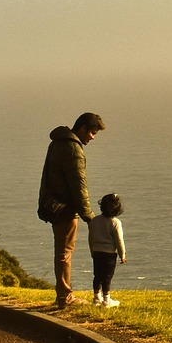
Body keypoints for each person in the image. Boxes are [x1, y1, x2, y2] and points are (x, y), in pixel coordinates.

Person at [37, 112, 104, 309]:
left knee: (62, 251)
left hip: (53, 204)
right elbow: (79, 185)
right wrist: (89, 216)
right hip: (65, 208)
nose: (92, 137)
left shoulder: (57, 142)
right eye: (92, 132)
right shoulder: (73, 148)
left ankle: (63, 294)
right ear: (82, 128)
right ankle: (65, 297)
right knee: (65, 252)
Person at [89, 193, 127, 307]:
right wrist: (122, 255)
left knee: (97, 275)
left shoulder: (95, 221)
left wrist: (92, 251)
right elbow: (119, 241)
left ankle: (96, 297)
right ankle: (106, 300)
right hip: (109, 254)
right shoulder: (115, 222)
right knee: (107, 277)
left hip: (97, 252)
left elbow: (91, 238)